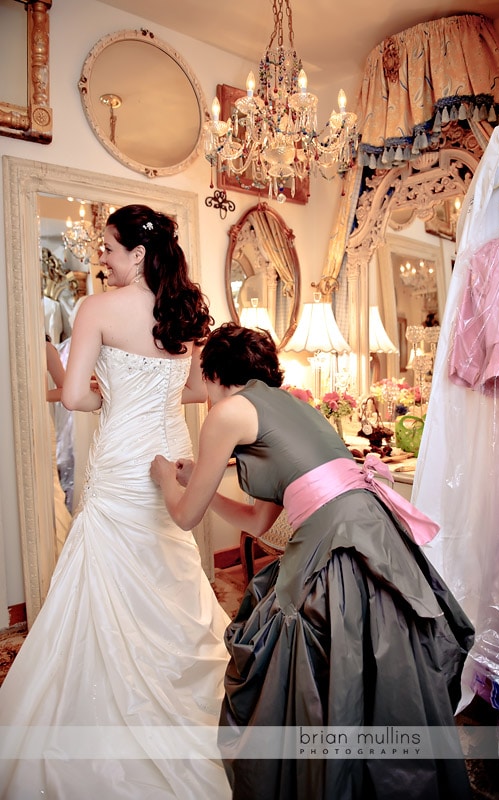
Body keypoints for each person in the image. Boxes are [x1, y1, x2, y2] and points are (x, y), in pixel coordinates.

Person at [150, 322, 475, 800]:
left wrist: (165, 480)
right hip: (371, 528)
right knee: (376, 661)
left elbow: (184, 517)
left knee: (309, 666)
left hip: (334, 539)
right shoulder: (295, 407)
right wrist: (202, 476)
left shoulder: (225, 412)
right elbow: (260, 522)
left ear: (215, 372)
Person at [0, 205, 231, 799]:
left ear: (137, 253)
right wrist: (138, 393)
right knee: (171, 571)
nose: (100, 258)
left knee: (105, 581)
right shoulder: (184, 310)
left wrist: (110, 397)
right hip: (170, 453)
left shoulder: (97, 309)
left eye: (107, 248)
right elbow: (189, 390)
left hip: (124, 459)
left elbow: (74, 397)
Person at [45, 334, 72, 554]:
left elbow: (66, 390)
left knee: (48, 485)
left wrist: (38, 395)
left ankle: (59, 549)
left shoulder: (45, 348)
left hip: (38, 420)